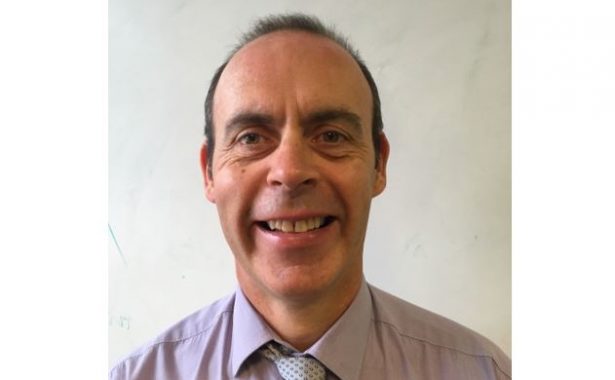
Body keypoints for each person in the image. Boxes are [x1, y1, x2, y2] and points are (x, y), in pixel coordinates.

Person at [110, 13, 511, 380]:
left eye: (331, 136)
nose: (289, 171)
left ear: (379, 165)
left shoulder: (482, 371)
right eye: (251, 138)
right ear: (209, 172)